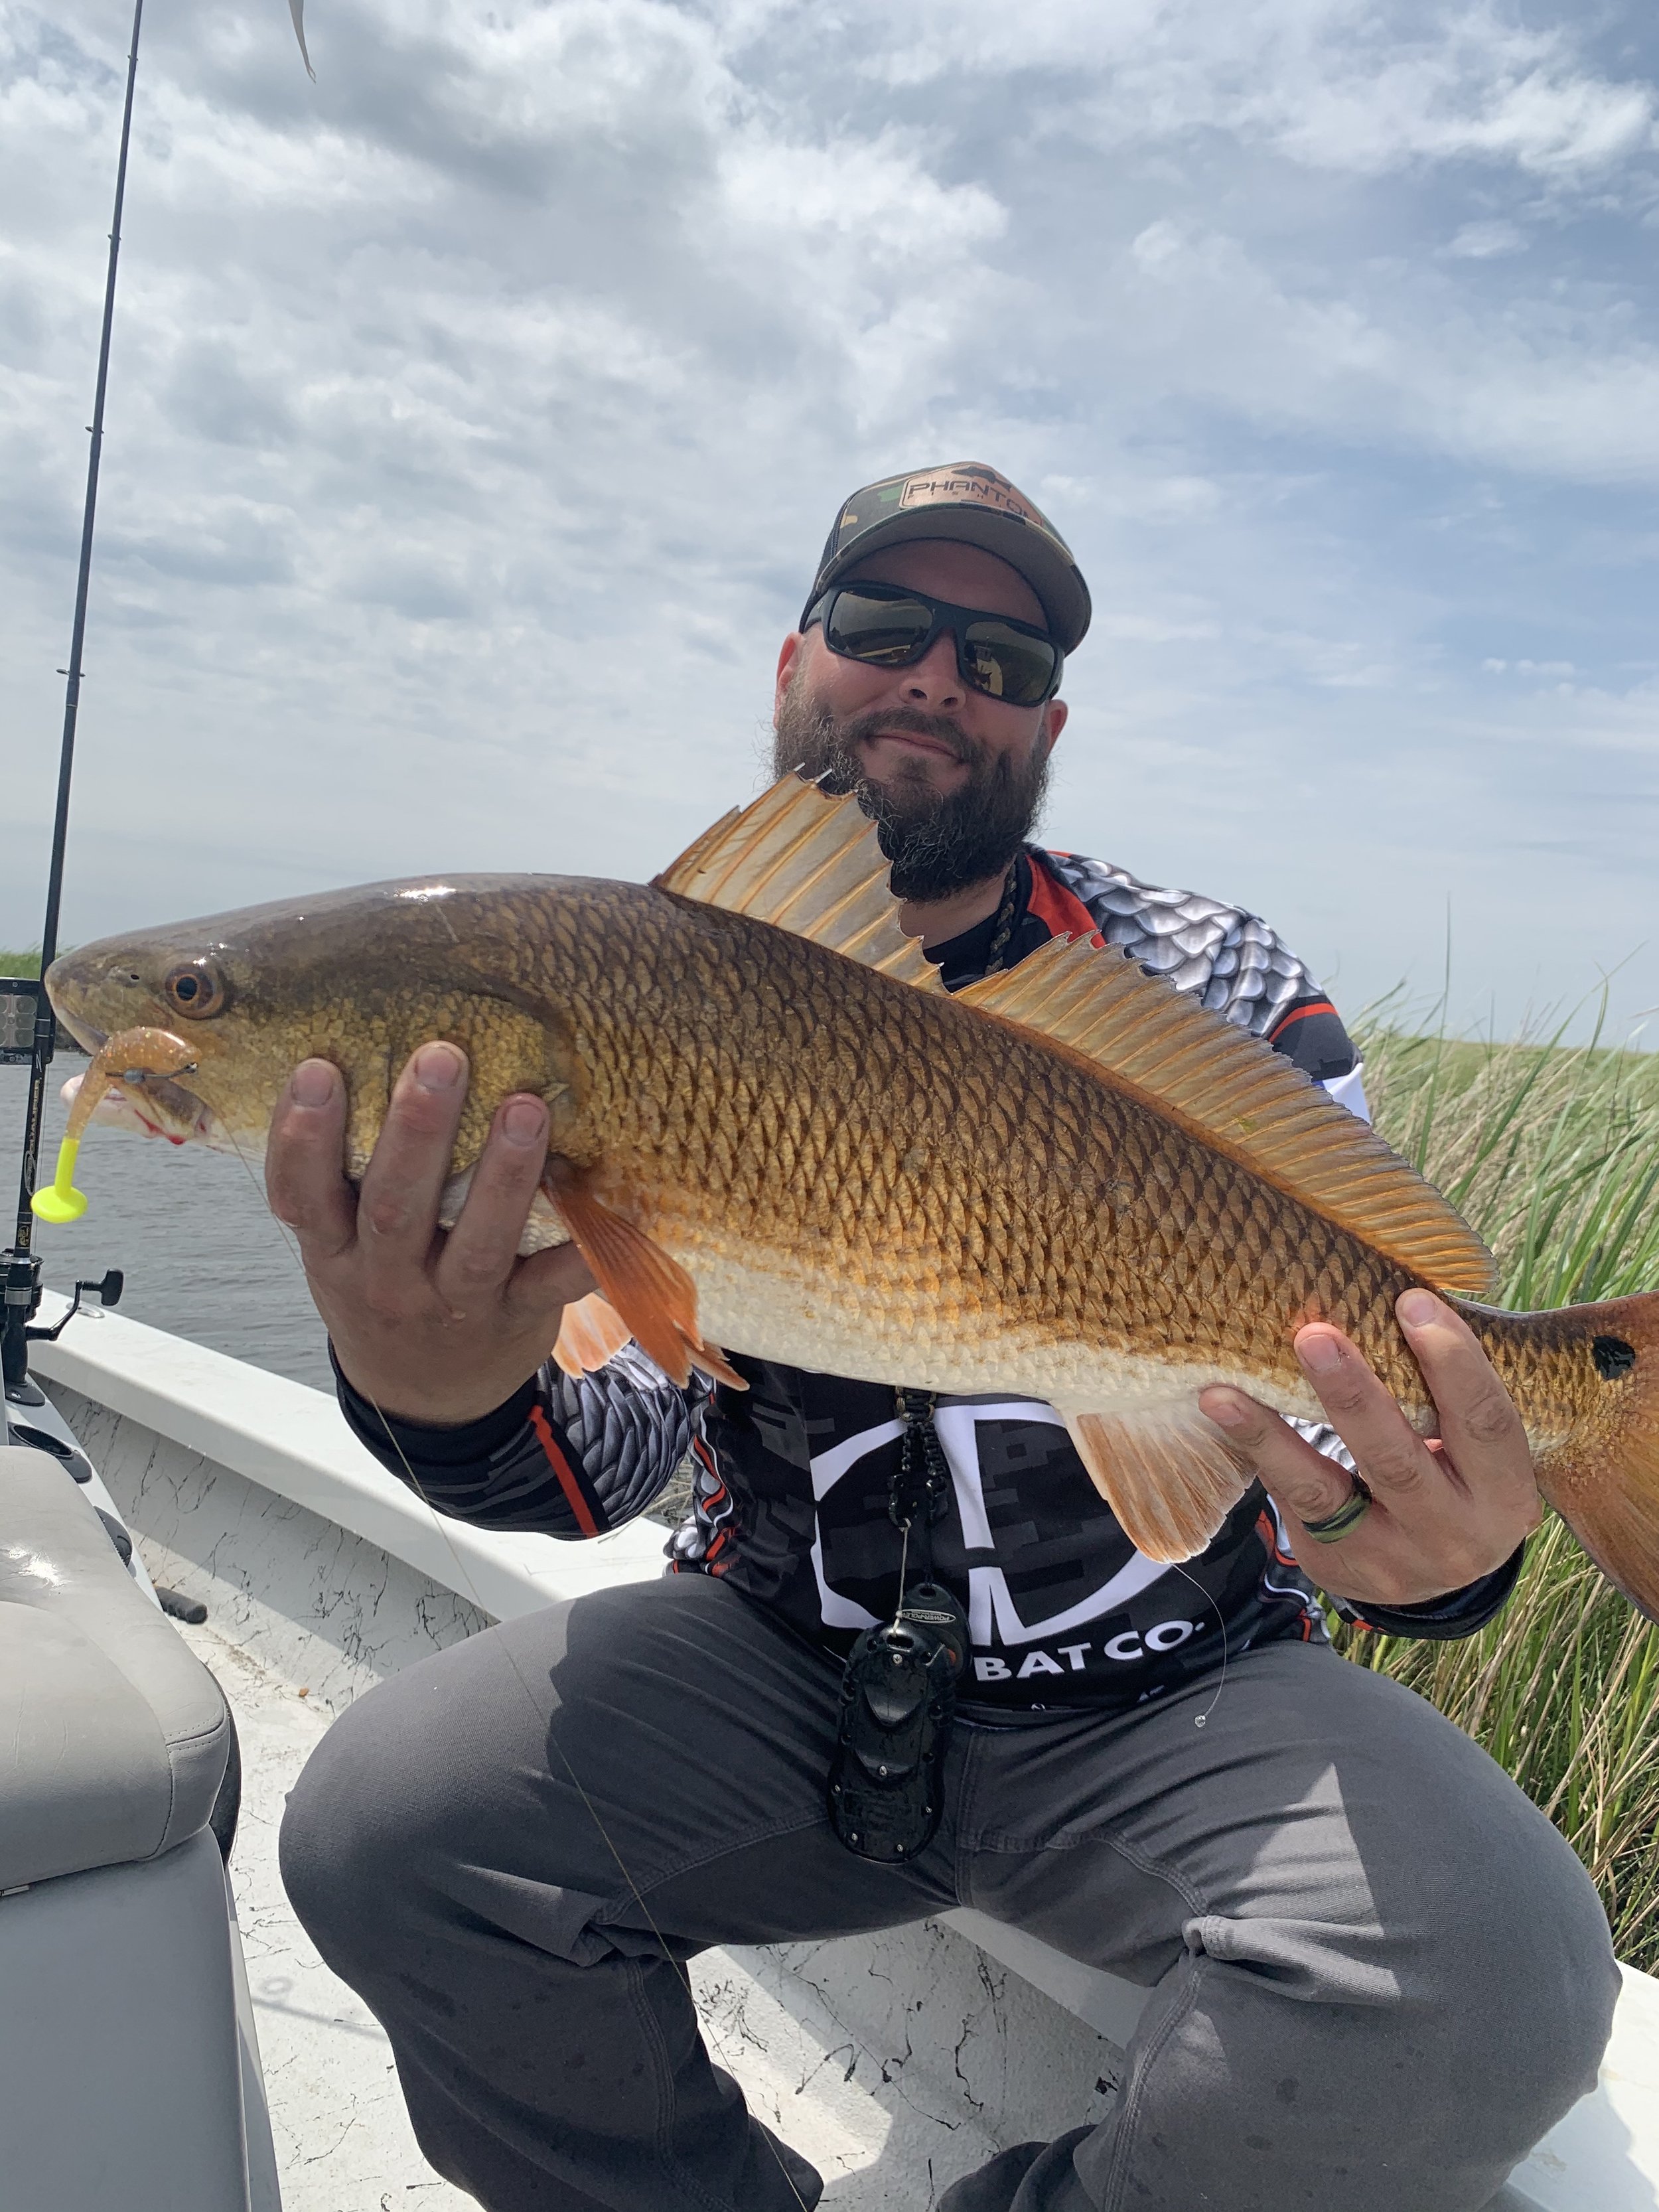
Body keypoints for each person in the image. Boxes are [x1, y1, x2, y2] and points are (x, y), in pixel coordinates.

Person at [275, 463, 1617, 2212]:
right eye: (884, 628)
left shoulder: (1212, 978)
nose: (931, 679)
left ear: (1046, 715)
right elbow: (597, 1448)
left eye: (994, 651)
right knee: (387, 1831)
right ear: (795, 660)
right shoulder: (607, 984)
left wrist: (1435, 1561)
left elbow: (1375, 1419)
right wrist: (426, 1380)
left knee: (1494, 1979)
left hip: (1174, 1692)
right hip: (769, 1656)